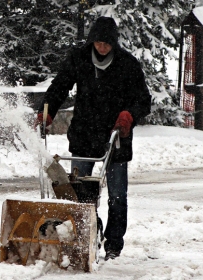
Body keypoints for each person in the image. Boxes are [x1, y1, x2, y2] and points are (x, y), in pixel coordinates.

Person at [36, 17, 152, 261]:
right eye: (98, 43)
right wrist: (46, 112)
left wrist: (128, 115)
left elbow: (143, 99)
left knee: (117, 196)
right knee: (79, 194)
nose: (102, 48)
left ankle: (113, 244)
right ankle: (85, 236)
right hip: (84, 134)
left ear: (114, 44)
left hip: (115, 137)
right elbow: (59, 87)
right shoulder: (79, 58)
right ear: (92, 42)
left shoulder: (127, 65)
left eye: (106, 44)